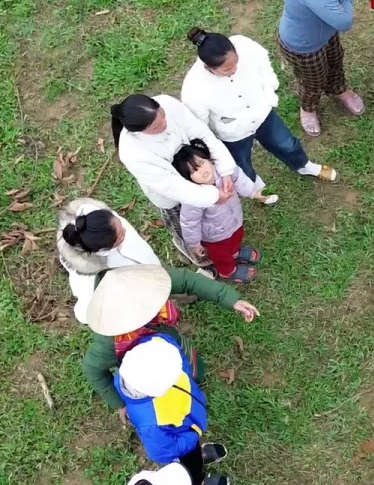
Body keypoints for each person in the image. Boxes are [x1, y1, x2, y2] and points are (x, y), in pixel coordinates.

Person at [79, 264, 258, 417]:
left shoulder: (151, 284)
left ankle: (195, 376)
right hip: (149, 371)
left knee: (192, 367)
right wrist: (120, 403)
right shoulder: (110, 341)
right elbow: (92, 370)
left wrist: (231, 300)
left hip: (174, 343)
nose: (156, 305)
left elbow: (189, 280)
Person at [180, 27, 339, 187]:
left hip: (263, 114)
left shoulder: (245, 45)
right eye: (227, 69)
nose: (234, 70)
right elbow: (201, 125)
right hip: (233, 133)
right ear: (209, 68)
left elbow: (265, 68)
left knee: (287, 144)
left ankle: (304, 166)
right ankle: (255, 187)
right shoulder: (194, 89)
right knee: (241, 163)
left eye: (236, 63)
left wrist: (269, 96)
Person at [111, 93, 241, 265]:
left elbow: (203, 135)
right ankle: (198, 255)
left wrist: (224, 170)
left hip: (199, 174)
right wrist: (213, 196)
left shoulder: (168, 104)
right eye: (157, 126)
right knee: (186, 227)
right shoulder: (133, 153)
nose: (165, 123)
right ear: (140, 130)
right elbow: (173, 187)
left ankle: (224, 243)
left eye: (163, 115)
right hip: (173, 197)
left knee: (212, 218)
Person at [278, 0, 365, 135]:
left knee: (336, 61)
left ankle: (339, 89)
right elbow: (345, 20)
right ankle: (307, 108)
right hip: (305, 45)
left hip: (326, 31)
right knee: (313, 81)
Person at [114, 333, 225, 484]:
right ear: (157, 390)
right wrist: (193, 435)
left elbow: (176, 353)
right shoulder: (151, 422)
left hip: (188, 420)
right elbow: (162, 451)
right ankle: (196, 480)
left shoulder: (156, 344)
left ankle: (198, 454)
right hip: (184, 435)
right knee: (190, 462)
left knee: (194, 449)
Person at [56, 198, 161, 327]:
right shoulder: (93, 280)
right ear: (104, 249)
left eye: (120, 225)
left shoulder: (101, 221)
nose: (125, 231)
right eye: (121, 235)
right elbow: (87, 314)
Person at [173, 139, 261, 283]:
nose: (201, 171)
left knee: (237, 237)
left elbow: (239, 178)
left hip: (234, 220)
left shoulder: (224, 173)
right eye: (194, 171)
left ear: (210, 160)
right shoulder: (193, 197)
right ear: (188, 178)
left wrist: (253, 192)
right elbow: (189, 222)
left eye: (201, 163)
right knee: (221, 255)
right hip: (215, 237)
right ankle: (228, 271)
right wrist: (194, 243)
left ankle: (235, 252)